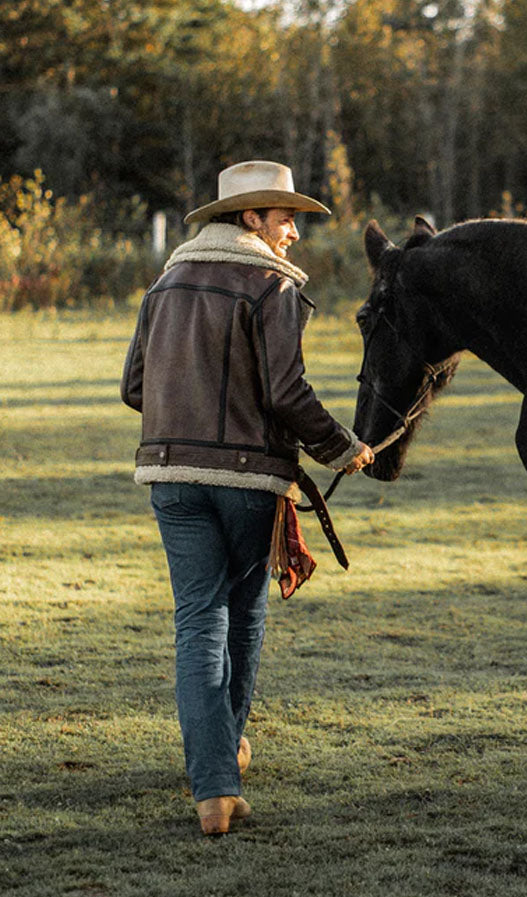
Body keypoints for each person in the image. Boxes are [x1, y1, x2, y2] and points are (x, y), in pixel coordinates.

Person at [120, 160, 374, 835]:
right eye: (283, 215)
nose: (293, 230)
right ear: (249, 219)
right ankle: (219, 774)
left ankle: (217, 775)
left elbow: (134, 387)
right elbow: (286, 393)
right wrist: (345, 449)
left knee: (197, 622)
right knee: (242, 616)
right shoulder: (272, 284)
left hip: (170, 476)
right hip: (248, 481)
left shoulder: (165, 281)